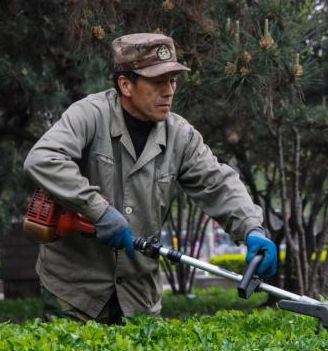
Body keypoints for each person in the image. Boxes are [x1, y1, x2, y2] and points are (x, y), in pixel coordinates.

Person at [23, 33, 277, 324]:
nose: (169, 91)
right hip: (74, 291)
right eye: (158, 82)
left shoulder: (180, 135)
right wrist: (98, 209)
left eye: (173, 81)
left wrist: (252, 229)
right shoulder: (89, 115)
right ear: (126, 84)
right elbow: (43, 158)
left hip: (138, 296)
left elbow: (217, 183)